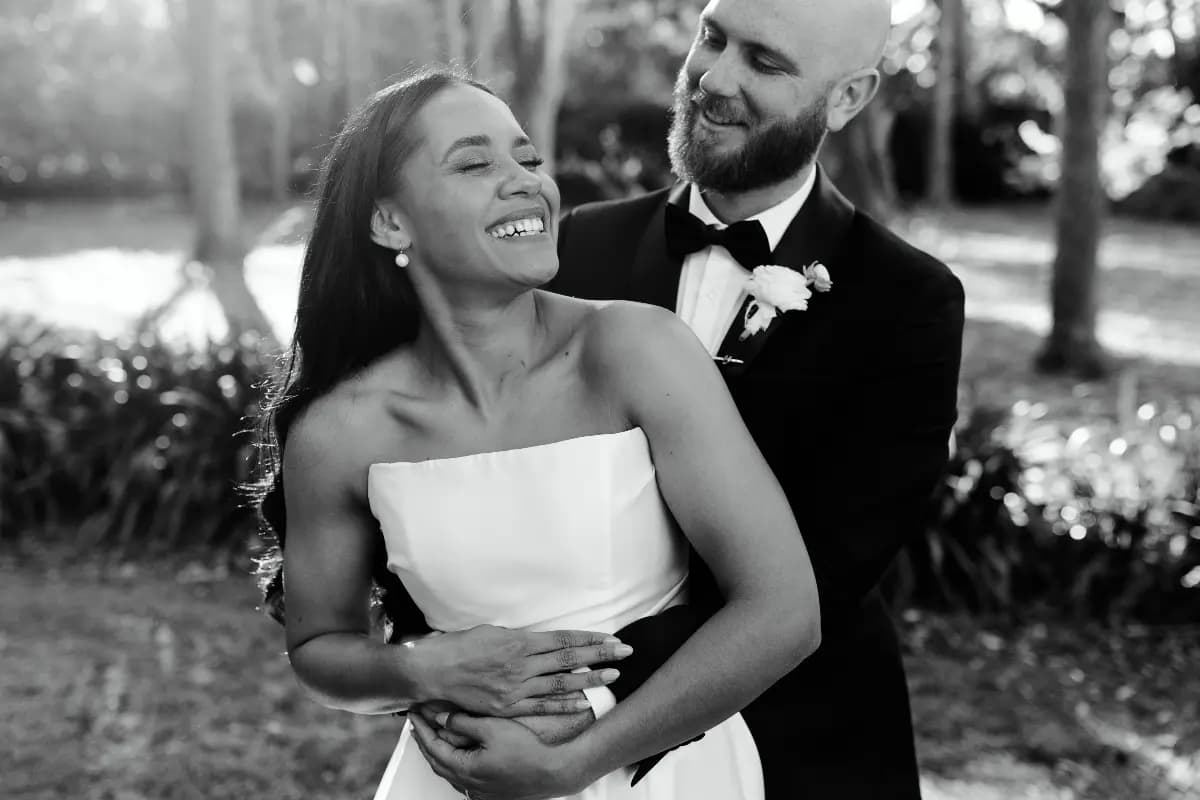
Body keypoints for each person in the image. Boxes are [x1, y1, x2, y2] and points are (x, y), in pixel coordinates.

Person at [253, 66, 822, 800]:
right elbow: (319, 649)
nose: (527, 181)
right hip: (456, 780)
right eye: (474, 162)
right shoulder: (340, 433)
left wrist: (574, 764)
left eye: (528, 159)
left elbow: (783, 611)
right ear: (390, 221)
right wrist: (421, 668)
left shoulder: (634, 350)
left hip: (664, 775)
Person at [535, 0, 965, 796]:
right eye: (713, 37)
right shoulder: (576, 250)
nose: (714, 78)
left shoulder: (909, 301)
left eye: (766, 63)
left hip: (794, 739)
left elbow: (834, 560)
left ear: (848, 98)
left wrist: (588, 692)